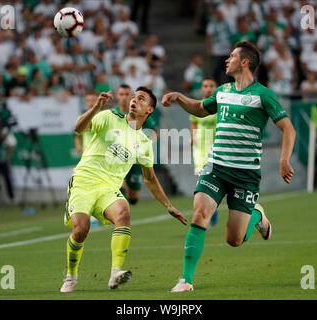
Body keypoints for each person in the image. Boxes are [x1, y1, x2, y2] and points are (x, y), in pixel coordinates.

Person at [162, 41, 296, 292]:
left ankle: (257, 215)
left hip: (245, 174)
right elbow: (201, 110)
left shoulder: (263, 94)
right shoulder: (222, 90)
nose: (227, 60)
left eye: (232, 56)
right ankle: (186, 280)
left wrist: (283, 159)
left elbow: (288, 128)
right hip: (216, 166)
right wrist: (180, 97)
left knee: (234, 239)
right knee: (200, 212)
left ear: (245, 62)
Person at [60, 87, 187, 292]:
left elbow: (150, 179)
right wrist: (95, 107)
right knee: (81, 230)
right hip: (84, 182)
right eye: (134, 97)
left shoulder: (144, 142)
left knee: (123, 212)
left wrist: (168, 206)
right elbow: (78, 128)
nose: (134, 100)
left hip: (109, 188)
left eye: (141, 98)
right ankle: (71, 276)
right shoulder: (109, 117)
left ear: (150, 110)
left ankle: (115, 273)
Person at [112, 84, 159, 205]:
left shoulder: (139, 113)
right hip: (116, 157)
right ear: (117, 96)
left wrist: (147, 143)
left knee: (133, 199)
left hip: (134, 159)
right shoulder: (111, 114)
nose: (124, 97)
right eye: (121, 94)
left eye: (127, 94)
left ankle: (125, 199)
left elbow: (155, 132)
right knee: (119, 191)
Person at [190, 78, 219, 227]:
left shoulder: (220, 106)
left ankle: (211, 212)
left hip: (216, 148)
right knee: (202, 182)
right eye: (205, 86)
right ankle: (205, 215)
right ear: (201, 89)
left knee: (213, 182)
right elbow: (194, 124)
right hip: (200, 149)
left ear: (216, 88)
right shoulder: (197, 106)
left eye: (211, 85)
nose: (208, 88)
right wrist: (192, 137)